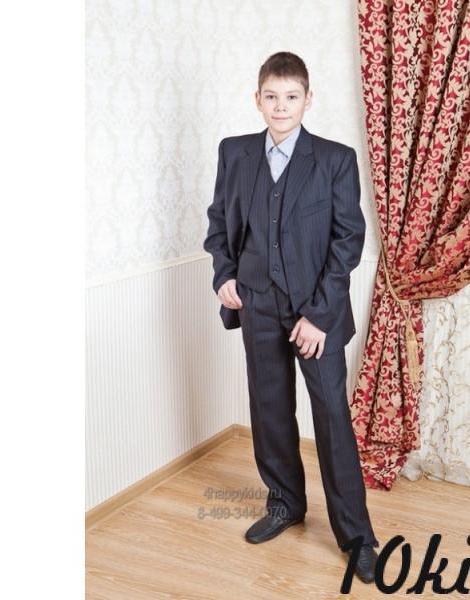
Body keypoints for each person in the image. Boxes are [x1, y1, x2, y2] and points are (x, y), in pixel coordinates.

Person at [203, 51, 379, 584]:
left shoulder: (334, 159)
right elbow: (220, 224)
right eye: (272, 97)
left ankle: (357, 535)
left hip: (314, 314)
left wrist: (319, 316)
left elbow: (348, 241)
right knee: (270, 409)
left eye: (291, 96)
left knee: (331, 417)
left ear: (308, 99)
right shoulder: (234, 153)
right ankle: (285, 503)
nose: (281, 106)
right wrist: (225, 275)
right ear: (258, 99)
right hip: (256, 303)